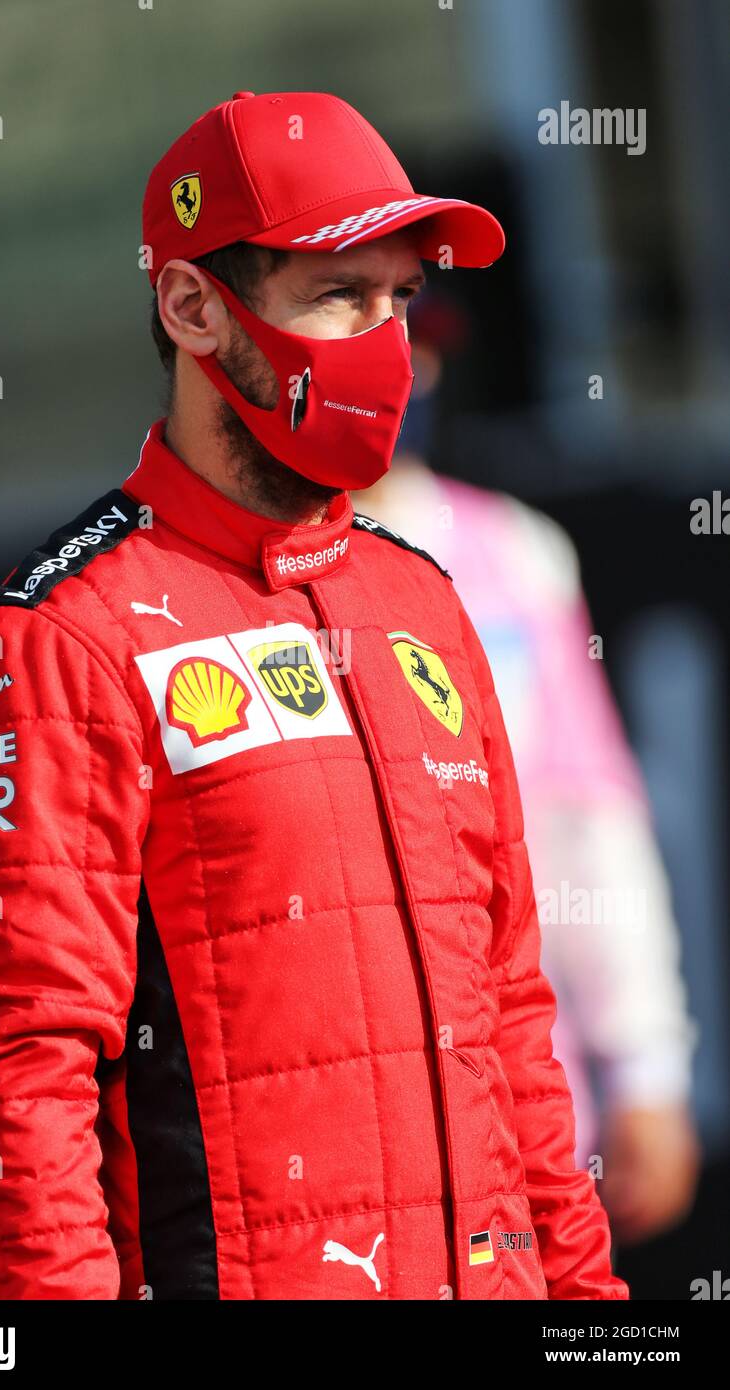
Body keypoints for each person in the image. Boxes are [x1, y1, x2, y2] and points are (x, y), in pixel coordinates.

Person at [0, 90, 629, 1301]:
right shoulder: (52, 644)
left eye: (400, 299)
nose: (385, 341)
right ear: (190, 306)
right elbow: (22, 1085)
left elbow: (509, 1024)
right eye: (340, 294)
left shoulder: (423, 608)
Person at [357, 294, 702, 1245]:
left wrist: (646, 1069)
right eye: (366, 337)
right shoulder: (221, 568)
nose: (401, 373)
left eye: (416, 346)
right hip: (332, 1143)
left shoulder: (516, 551)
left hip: (520, 1111)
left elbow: (590, 821)